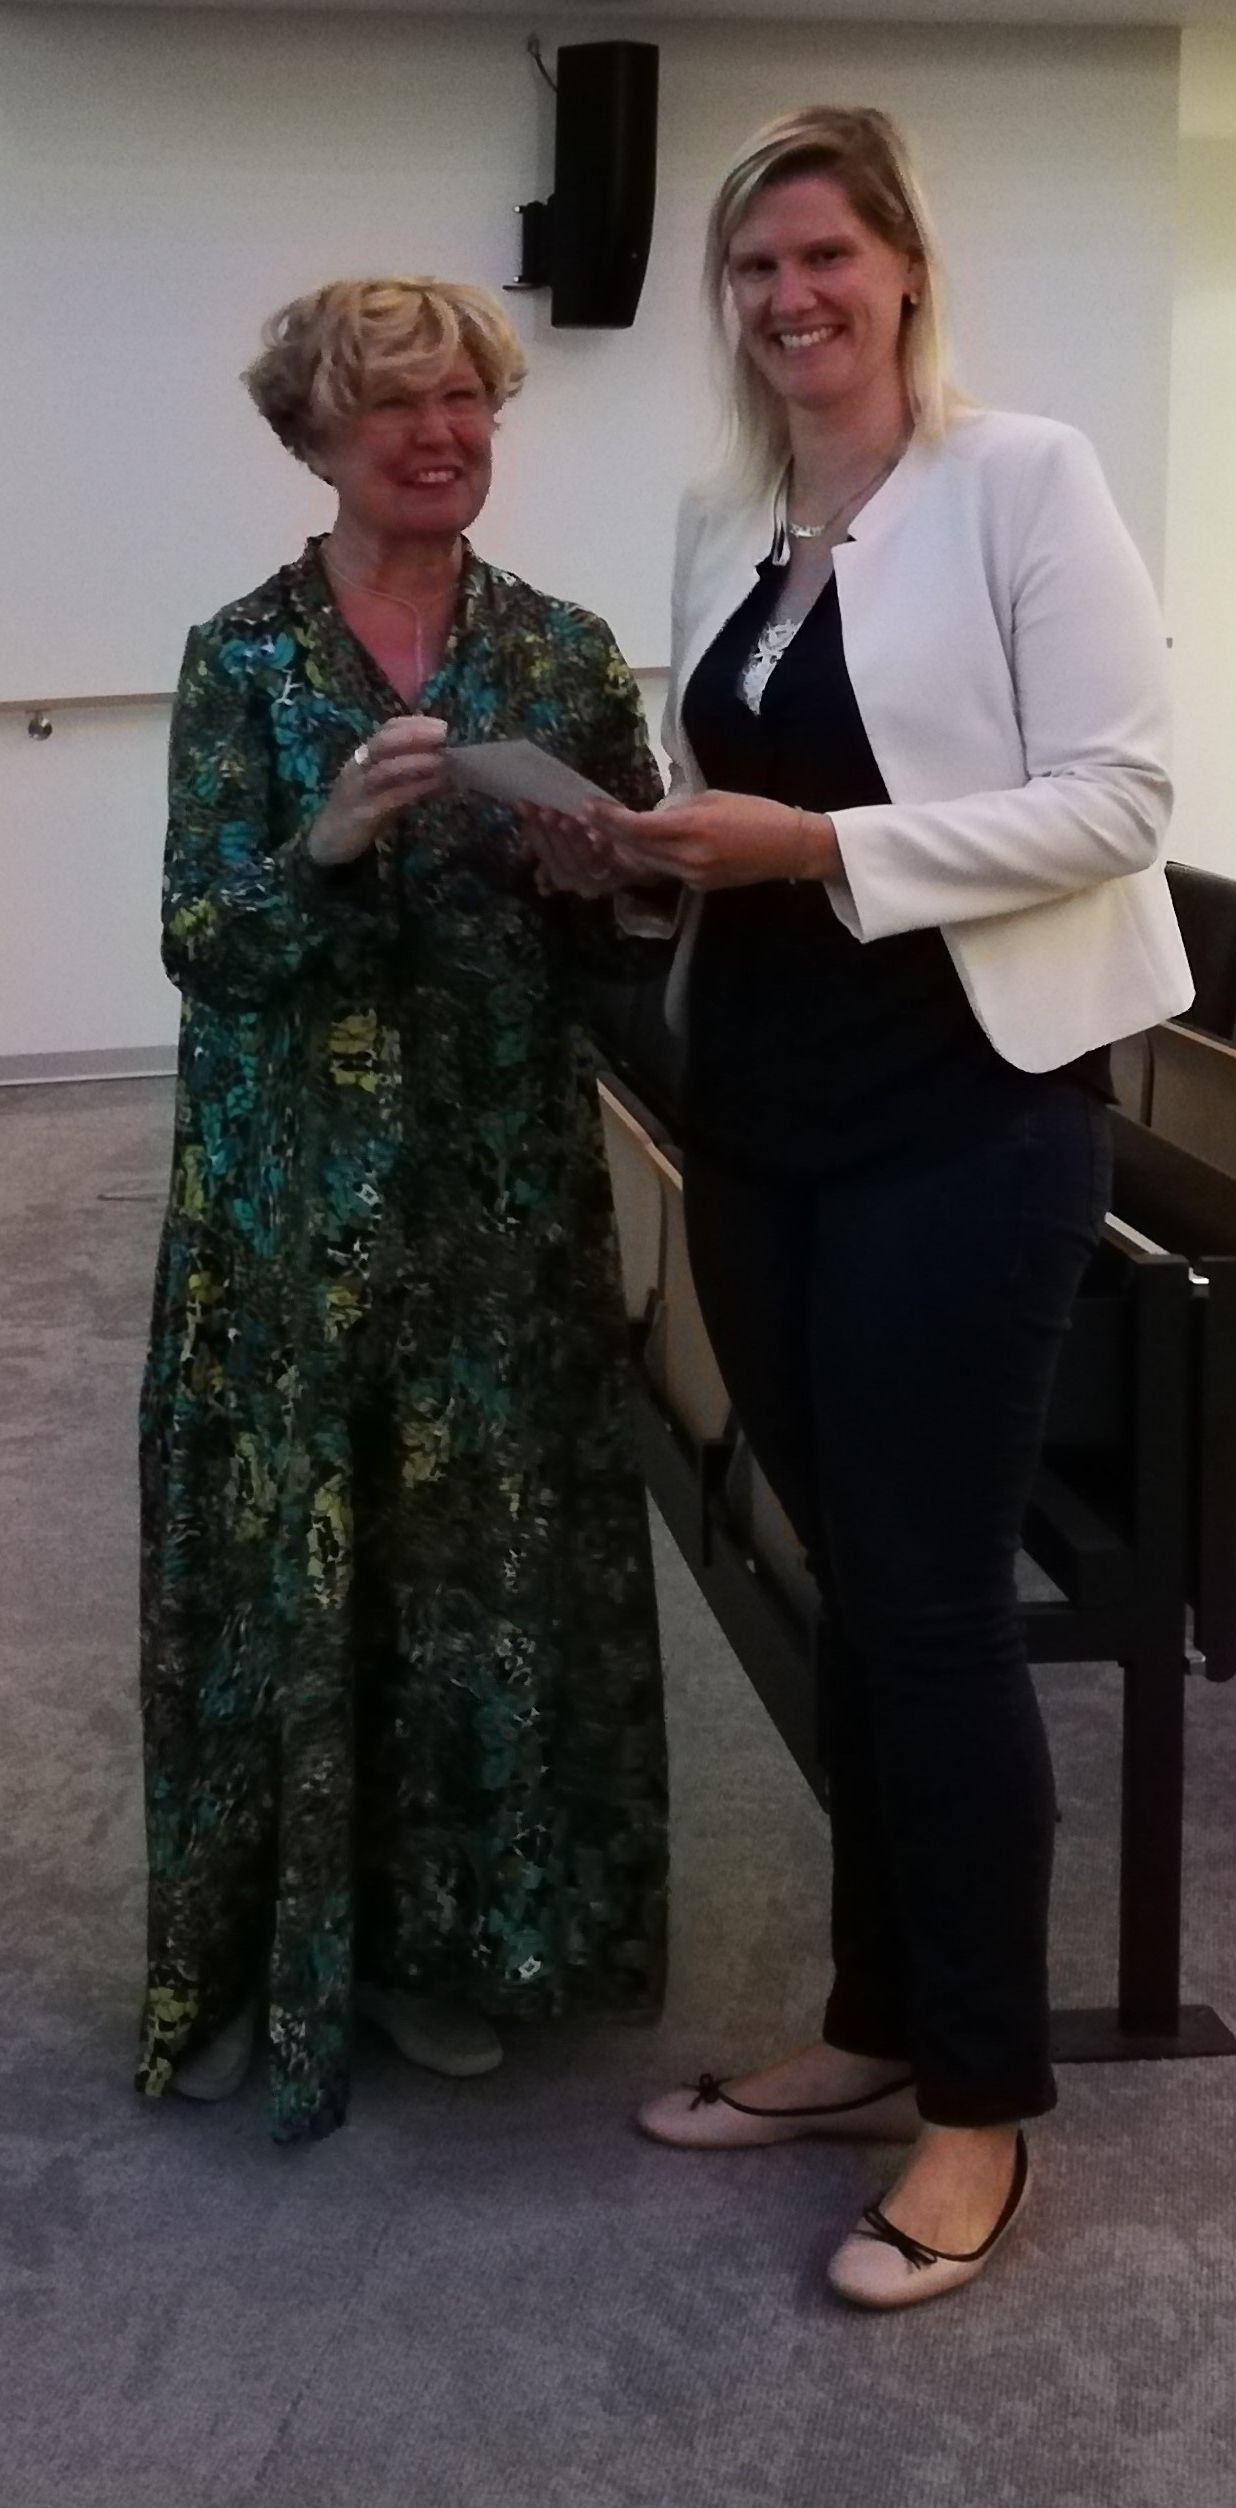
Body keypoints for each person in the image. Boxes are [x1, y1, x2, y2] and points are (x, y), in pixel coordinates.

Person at [537, 108, 1191, 2309]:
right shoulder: (727, 515)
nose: (789, 298)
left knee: (931, 1613)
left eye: (824, 255)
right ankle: (877, 2024)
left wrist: (817, 852)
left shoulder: (1023, 481)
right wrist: (636, 851)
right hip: (768, 1115)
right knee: (848, 1599)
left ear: (905, 266)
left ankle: (981, 2107)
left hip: (969, 1119)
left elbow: (1121, 799)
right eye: (755, 269)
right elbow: (723, 800)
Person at [136, 278, 669, 2145]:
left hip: (497, 1205)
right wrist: (330, 842)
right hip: (285, 1208)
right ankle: (256, 1953)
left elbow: (642, 953)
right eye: (395, 409)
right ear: (316, 437)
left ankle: (446, 1948)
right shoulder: (245, 658)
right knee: (283, 1578)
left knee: (475, 1584)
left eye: (466, 403)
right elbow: (205, 943)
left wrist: (607, 884)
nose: (440, 437)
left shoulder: (566, 657)